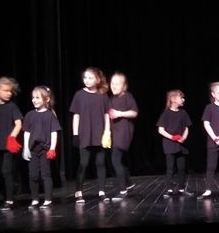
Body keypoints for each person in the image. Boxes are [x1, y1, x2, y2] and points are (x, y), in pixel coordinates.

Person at [69, 67, 110, 203]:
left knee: (100, 163)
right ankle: (78, 192)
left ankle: (102, 192)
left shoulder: (103, 95)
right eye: (85, 77)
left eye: (90, 78)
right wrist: (75, 135)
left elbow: (106, 115)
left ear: (98, 80)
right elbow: (76, 115)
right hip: (85, 134)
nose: (86, 80)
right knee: (84, 163)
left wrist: (107, 132)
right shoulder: (79, 95)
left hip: (99, 134)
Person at [22, 86, 61, 208]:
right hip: (33, 149)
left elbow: (54, 132)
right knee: (33, 175)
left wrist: (52, 148)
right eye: (33, 97)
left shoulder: (50, 115)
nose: (34, 100)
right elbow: (27, 132)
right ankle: (35, 199)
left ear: (46, 99)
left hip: (45, 149)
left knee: (45, 174)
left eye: (37, 98)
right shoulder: (30, 115)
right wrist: (26, 148)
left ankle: (48, 200)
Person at [0, 77, 23, 210]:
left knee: (6, 171)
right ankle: (4, 198)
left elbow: (19, 124)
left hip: (8, 145)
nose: (9, 93)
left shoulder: (12, 106)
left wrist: (12, 137)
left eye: (10, 91)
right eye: (5, 91)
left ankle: (10, 200)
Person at [107, 72, 139, 200]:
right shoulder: (110, 99)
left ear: (124, 86)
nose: (114, 86)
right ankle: (129, 184)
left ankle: (122, 190)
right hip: (114, 134)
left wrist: (119, 113)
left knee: (115, 160)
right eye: (112, 83)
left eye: (117, 83)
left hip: (123, 133)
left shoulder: (127, 97)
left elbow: (134, 113)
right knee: (119, 160)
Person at [156, 89, 193, 197]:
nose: (183, 99)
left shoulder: (183, 113)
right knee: (170, 168)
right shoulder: (166, 113)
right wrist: (172, 137)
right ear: (173, 99)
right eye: (181, 97)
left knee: (181, 168)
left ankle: (181, 189)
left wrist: (184, 137)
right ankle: (169, 189)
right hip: (169, 144)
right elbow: (160, 130)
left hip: (181, 144)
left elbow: (187, 127)